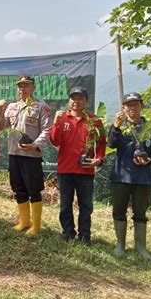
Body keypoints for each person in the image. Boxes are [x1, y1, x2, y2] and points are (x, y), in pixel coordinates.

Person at [108, 92, 151, 260]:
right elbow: (111, 144)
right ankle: (120, 245)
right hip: (121, 177)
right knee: (119, 210)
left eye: (135, 104)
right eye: (128, 105)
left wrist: (150, 159)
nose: (132, 108)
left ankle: (141, 247)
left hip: (143, 177)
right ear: (124, 108)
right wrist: (116, 127)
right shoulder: (120, 126)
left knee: (140, 212)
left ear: (141, 106)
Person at [50, 86, 106, 246]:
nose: (76, 101)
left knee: (86, 205)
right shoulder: (62, 118)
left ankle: (85, 235)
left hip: (86, 170)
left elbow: (102, 143)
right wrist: (55, 122)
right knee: (65, 204)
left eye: (80, 98)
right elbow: (55, 141)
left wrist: (99, 159)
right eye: (73, 98)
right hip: (65, 169)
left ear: (86, 101)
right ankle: (67, 232)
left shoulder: (94, 120)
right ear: (69, 101)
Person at [0, 75, 52, 235]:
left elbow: (47, 130)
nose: (22, 89)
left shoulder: (41, 107)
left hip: (31, 155)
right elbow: (2, 127)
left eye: (26, 86)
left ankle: (36, 226)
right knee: (18, 189)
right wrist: (0, 109)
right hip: (14, 153)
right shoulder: (12, 106)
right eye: (20, 86)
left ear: (33, 88)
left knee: (33, 190)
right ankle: (24, 221)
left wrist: (35, 145)